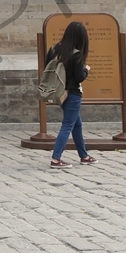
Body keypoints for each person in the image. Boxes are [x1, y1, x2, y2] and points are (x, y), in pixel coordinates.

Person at [41, 20, 97, 168]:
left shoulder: (54, 49)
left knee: (76, 124)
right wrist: (86, 69)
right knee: (67, 125)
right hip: (72, 93)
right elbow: (79, 77)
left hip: (58, 92)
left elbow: (47, 67)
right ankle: (56, 158)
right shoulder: (76, 54)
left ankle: (83, 155)